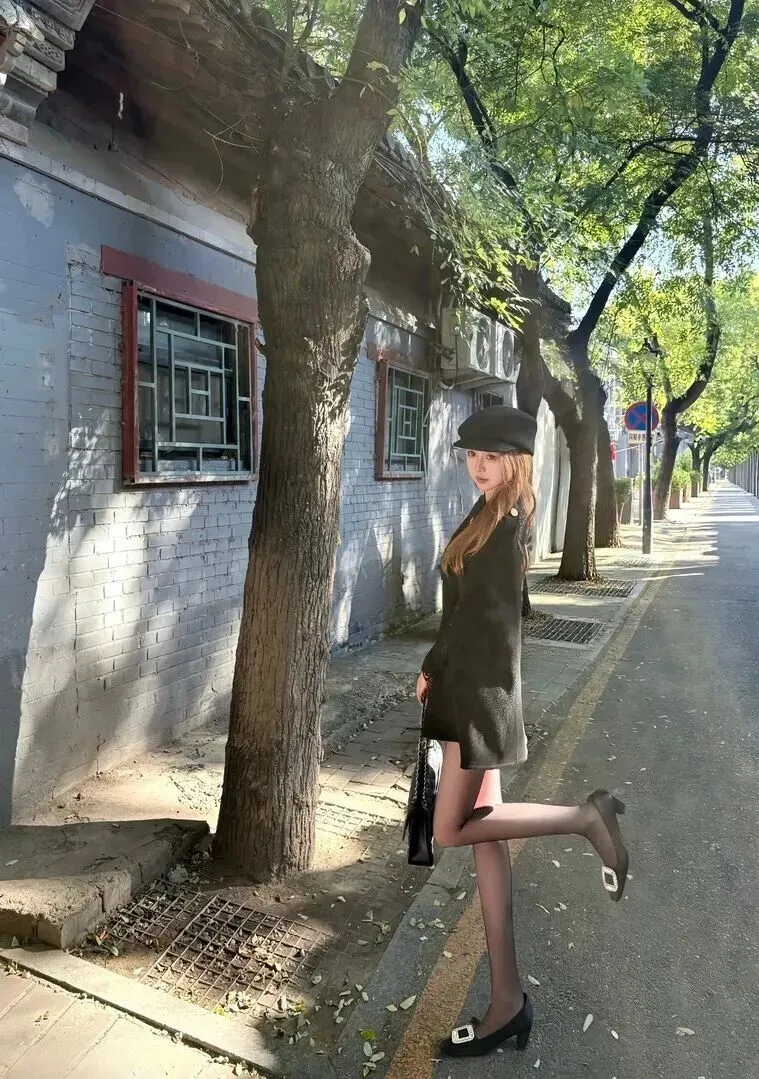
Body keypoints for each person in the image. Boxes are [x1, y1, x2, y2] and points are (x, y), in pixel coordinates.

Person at [416, 404, 628, 1059]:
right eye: (471, 455)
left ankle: (585, 818)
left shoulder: (504, 527)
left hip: (474, 699)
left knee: (452, 829)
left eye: (491, 456)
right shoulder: (489, 515)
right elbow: (465, 614)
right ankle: (506, 1002)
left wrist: (442, 676)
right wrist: (433, 665)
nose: (478, 466)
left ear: (517, 461)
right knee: (488, 840)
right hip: (468, 691)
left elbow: (488, 627)